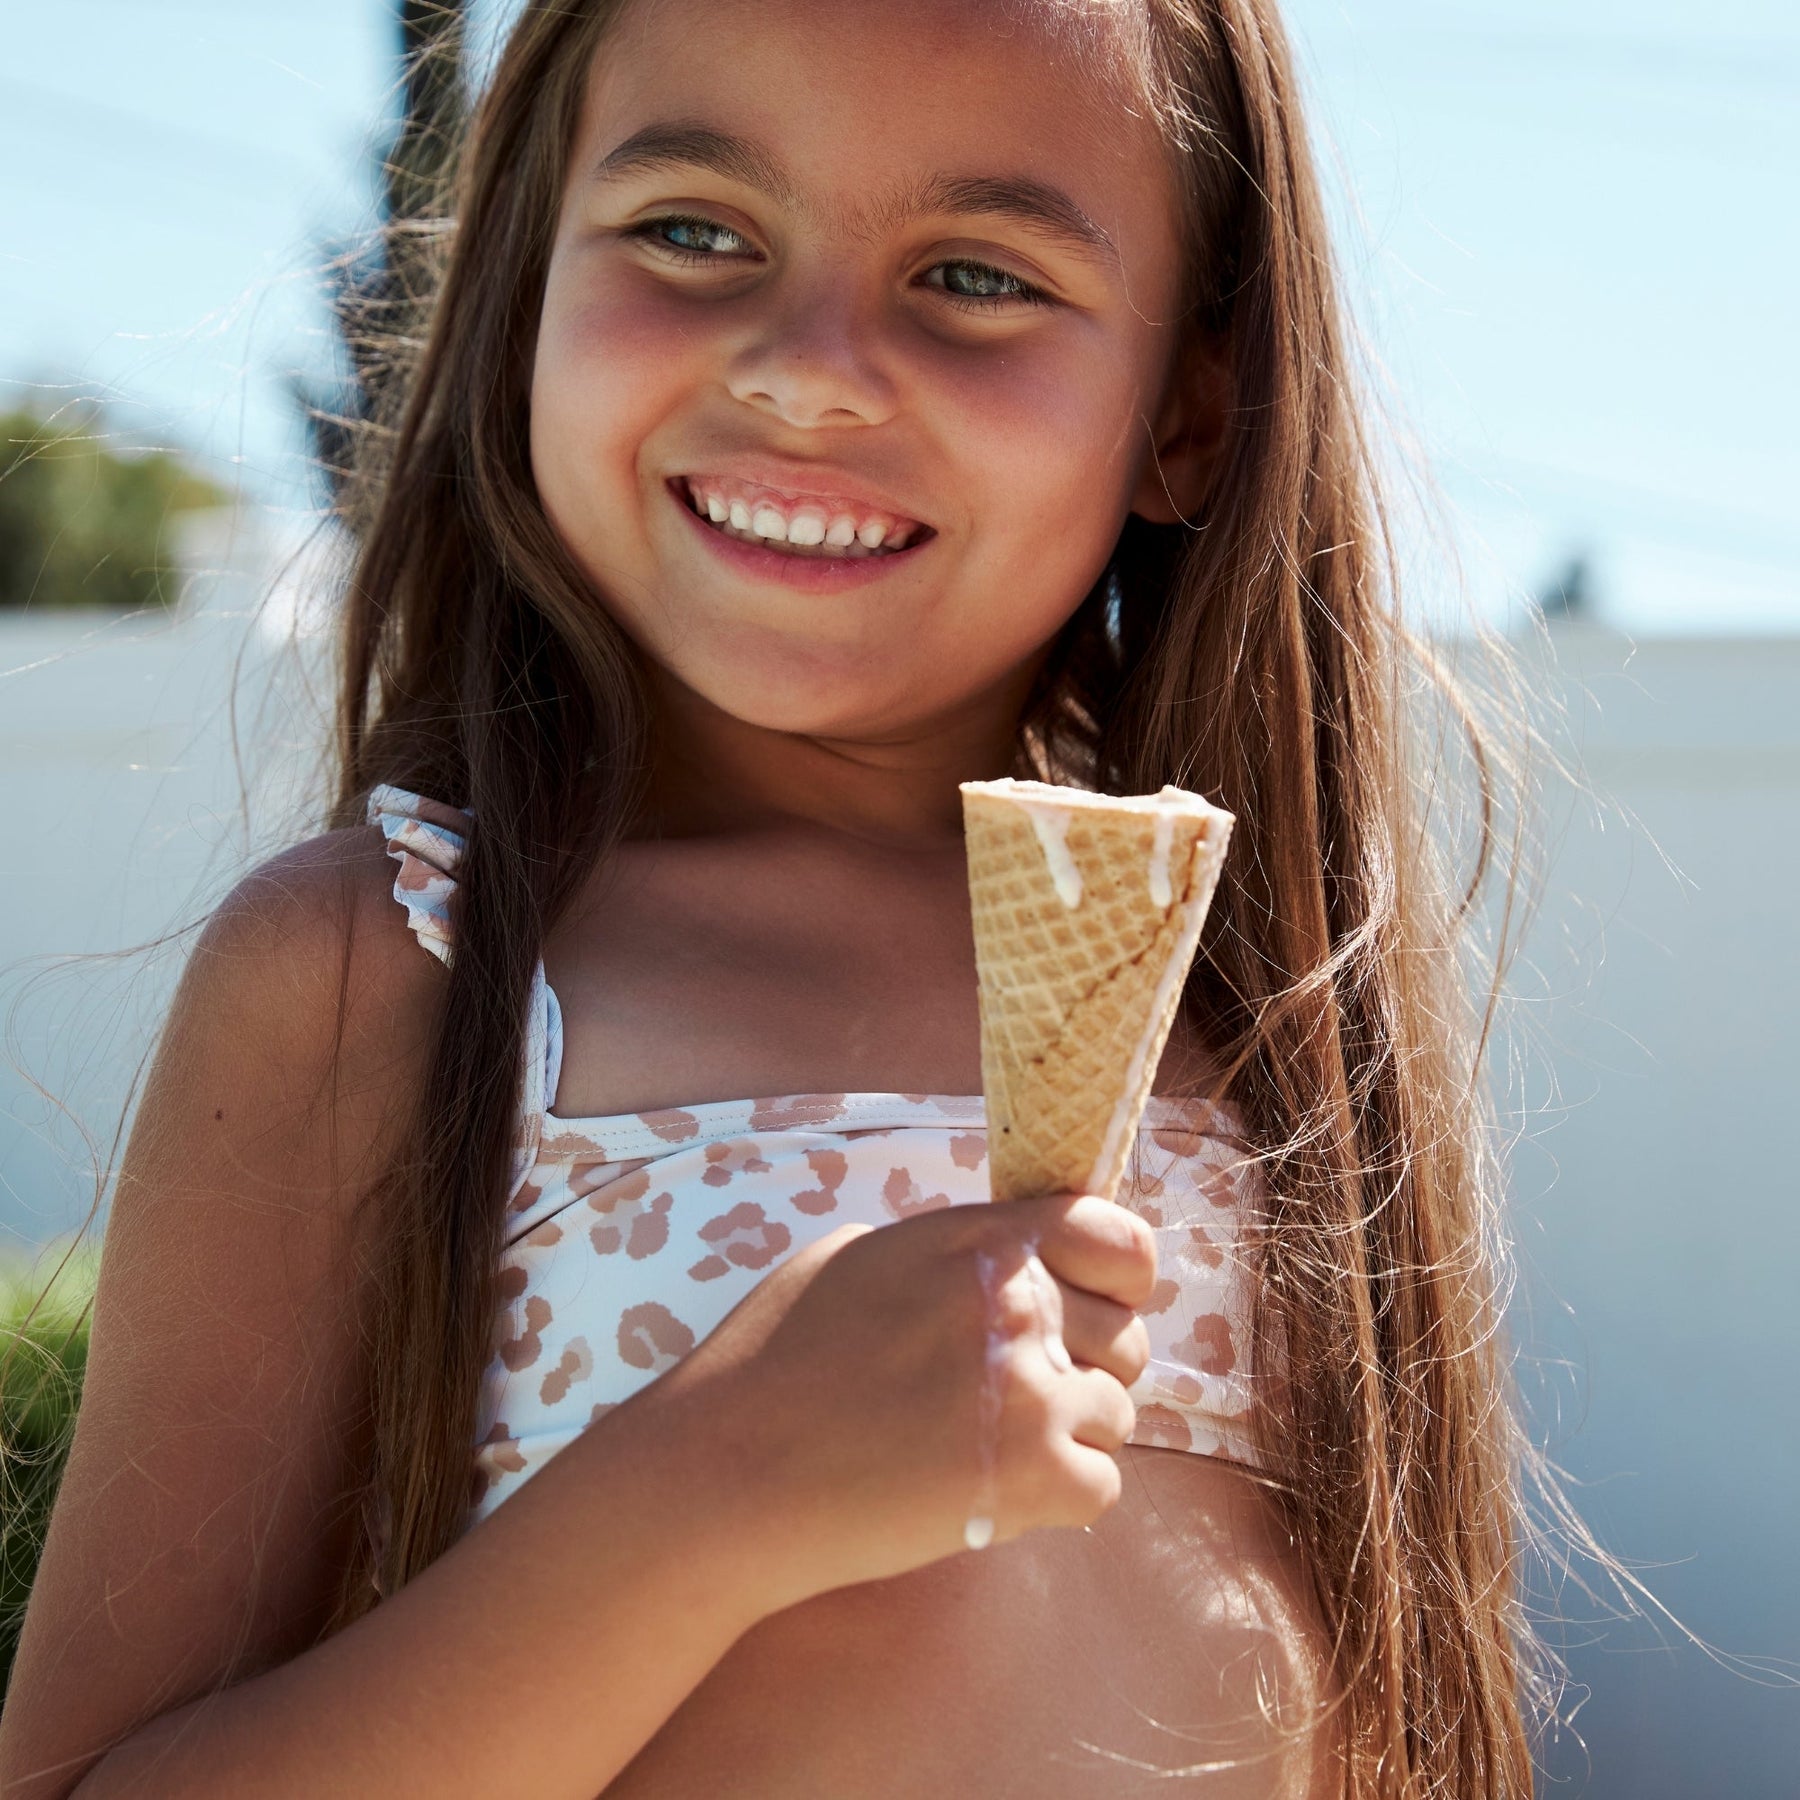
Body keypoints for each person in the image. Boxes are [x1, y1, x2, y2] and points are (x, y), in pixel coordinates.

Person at [0, 1, 1546, 1793]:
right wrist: (709, 1489)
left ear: (1191, 407)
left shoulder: (1250, 1007)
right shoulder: (384, 971)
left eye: (976, 274)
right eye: (691, 233)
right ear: (522, 288)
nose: (808, 369)